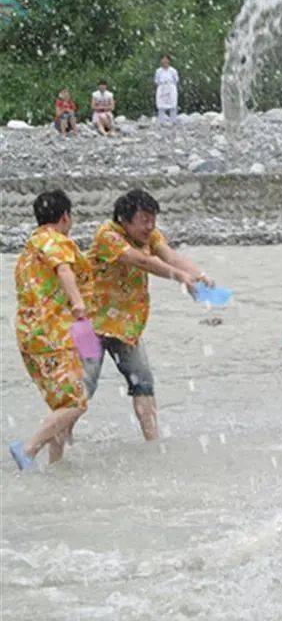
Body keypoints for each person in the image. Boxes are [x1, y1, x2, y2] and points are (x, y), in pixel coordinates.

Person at [83, 189, 213, 441]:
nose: (150, 226)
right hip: (90, 325)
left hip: (126, 327)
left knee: (143, 384)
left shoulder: (150, 235)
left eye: (153, 219)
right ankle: (57, 446)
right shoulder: (107, 235)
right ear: (124, 218)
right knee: (80, 392)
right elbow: (141, 262)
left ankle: (153, 443)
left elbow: (169, 255)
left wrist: (198, 275)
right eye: (144, 219)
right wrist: (179, 277)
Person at [8, 191, 93, 470]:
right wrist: (79, 304)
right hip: (54, 335)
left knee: (60, 406)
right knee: (76, 403)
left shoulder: (29, 249)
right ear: (65, 216)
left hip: (29, 337)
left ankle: (57, 468)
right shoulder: (55, 240)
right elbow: (64, 270)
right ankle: (28, 449)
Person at [154, 55, 179, 124]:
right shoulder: (158, 71)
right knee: (161, 104)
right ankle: (161, 121)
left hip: (171, 87)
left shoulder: (173, 70)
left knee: (173, 104)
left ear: (169, 61)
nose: (165, 61)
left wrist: (170, 85)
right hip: (162, 87)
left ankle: (173, 120)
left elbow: (176, 80)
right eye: (163, 59)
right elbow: (156, 80)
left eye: (166, 59)